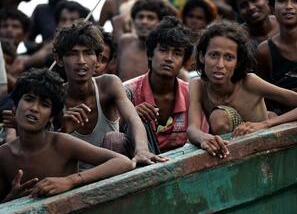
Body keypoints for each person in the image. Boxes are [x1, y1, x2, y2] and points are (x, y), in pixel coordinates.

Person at [0, 68, 134, 203]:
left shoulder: (61, 143)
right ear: (15, 107)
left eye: (44, 104)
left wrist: (70, 181)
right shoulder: (4, 155)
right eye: (29, 99)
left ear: (51, 117)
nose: (34, 108)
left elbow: (123, 162)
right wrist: (11, 198)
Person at [53, 19, 166, 167]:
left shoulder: (108, 84)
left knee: (115, 140)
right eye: (73, 54)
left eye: (88, 53)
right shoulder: (55, 95)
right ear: (59, 59)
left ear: (98, 59)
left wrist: (142, 150)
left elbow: (133, 119)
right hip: (74, 178)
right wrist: (63, 131)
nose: (81, 61)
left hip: (115, 170)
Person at [187, 20, 297, 159]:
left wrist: (265, 124)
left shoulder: (249, 82)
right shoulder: (197, 85)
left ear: (237, 62)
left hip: (265, 151)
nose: (220, 64)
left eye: (229, 57)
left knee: (219, 117)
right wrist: (203, 138)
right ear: (202, 56)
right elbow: (192, 129)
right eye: (214, 55)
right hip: (228, 155)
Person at [124, 16, 209, 153]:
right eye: (163, 50)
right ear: (151, 54)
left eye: (177, 53)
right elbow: (112, 133)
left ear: (184, 62)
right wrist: (130, 116)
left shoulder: (192, 94)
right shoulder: (127, 92)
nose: (169, 58)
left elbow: (200, 139)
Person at [257, 0, 297, 114]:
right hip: (282, 122)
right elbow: (262, 96)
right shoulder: (265, 51)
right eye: (282, 0)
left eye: (296, 0)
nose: (288, 6)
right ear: (272, 8)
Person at [116, 0, 177, 82]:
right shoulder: (125, 41)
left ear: (160, 23)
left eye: (150, 18)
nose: (144, 22)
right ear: (133, 21)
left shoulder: (167, 51)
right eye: (140, 17)